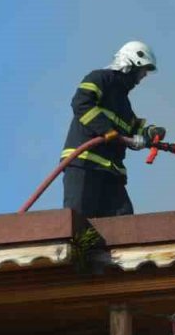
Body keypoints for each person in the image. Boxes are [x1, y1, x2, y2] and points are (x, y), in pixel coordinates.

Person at [61, 41, 165, 218]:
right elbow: (81, 104)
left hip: (111, 172)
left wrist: (150, 132)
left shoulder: (123, 102)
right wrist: (108, 131)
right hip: (84, 163)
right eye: (142, 70)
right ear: (130, 64)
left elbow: (130, 131)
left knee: (124, 222)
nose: (143, 76)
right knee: (79, 222)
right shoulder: (99, 78)